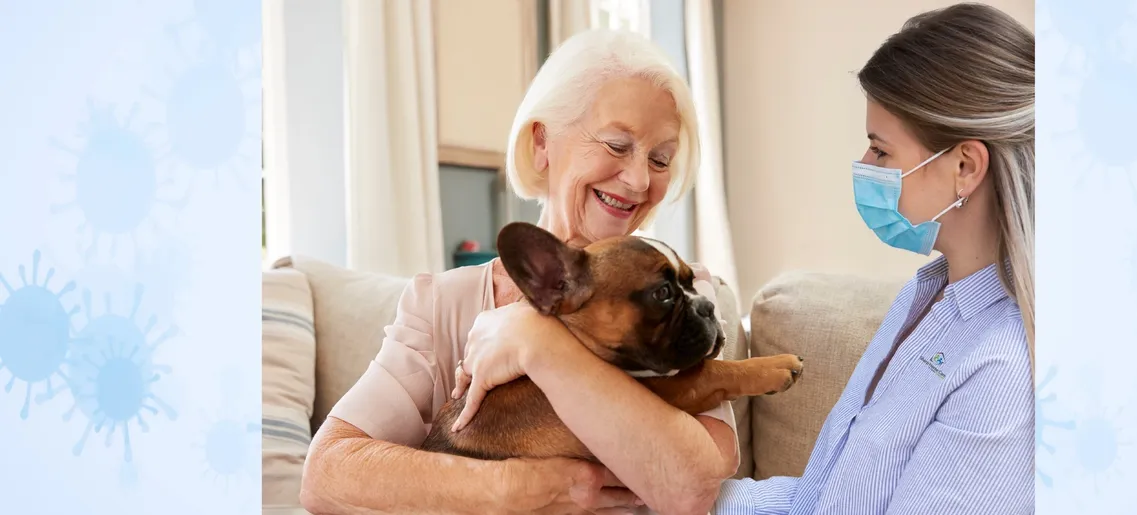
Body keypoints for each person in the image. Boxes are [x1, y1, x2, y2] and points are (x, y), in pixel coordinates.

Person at [300, 29, 739, 515]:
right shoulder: (443, 304)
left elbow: (695, 488)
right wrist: (511, 486)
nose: (640, 180)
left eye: (661, 159)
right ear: (541, 143)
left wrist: (535, 341)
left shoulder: (682, 298)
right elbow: (328, 474)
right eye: (617, 145)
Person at [708, 4, 1037, 513]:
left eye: (881, 152)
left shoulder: (1000, 367)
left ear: (965, 167)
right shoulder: (928, 294)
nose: (864, 167)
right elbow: (825, 498)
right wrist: (681, 501)